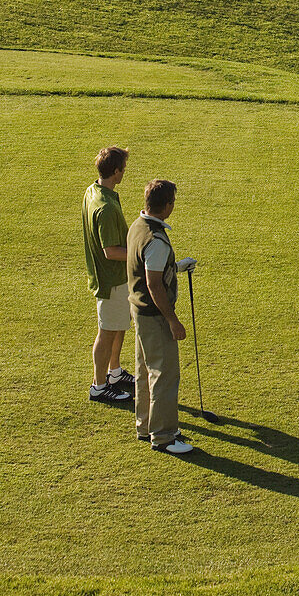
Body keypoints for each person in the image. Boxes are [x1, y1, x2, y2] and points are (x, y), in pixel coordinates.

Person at [127, 179, 197, 455]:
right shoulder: (156, 240)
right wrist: (172, 320)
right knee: (164, 374)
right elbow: (154, 284)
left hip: (139, 310)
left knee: (144, 372)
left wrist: (176, 267)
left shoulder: (137, 227)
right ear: (167, 205)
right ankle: (164, 436)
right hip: (155, 315)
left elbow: (147, 270)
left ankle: (146, 425)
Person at [83, 146, 134, 404]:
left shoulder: (95, 191)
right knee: (107, 332)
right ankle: (99, 386)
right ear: (116, 171)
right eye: (123, 168)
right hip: (111, 279)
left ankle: (114, 373)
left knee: (119, 326)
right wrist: (139, 253)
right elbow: (111, 251)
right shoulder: (106, 207)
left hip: (115, 278)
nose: (125, 171)